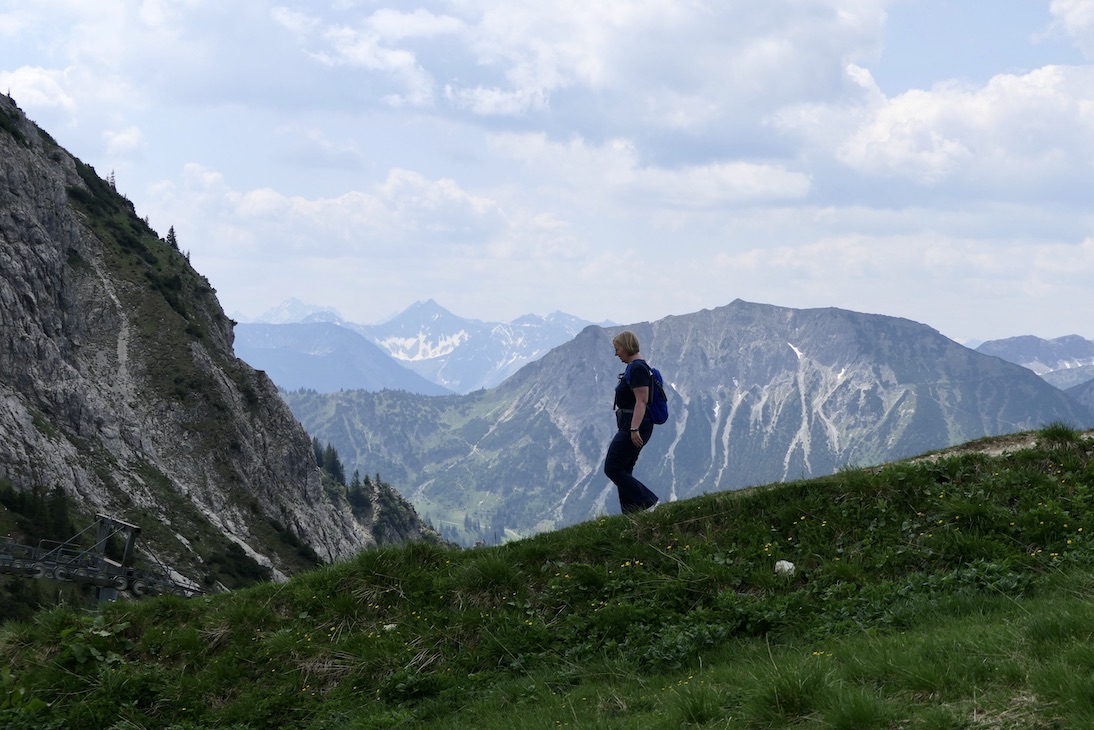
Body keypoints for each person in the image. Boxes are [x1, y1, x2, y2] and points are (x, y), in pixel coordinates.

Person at [604, 331, 660, 513]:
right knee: (624, 469)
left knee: (612, 468)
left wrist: (634, 429)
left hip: (635, 425)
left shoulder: (637, 368)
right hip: (632, 424)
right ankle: (632, 514)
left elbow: (641, 401)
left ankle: (649, 501)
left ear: (626, 347)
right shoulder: (636, 367)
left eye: (617, 349)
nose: (616, 353)